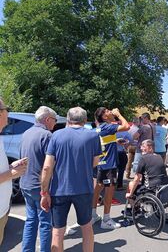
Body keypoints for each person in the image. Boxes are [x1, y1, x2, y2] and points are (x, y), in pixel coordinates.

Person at [40, 107, 102, 252]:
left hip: (59, 190)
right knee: (86, 228)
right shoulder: (93, 136)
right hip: (84, 189)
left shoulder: (56, 135)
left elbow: (47, 167)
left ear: (68, 119)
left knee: (57, 231)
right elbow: (95, 162)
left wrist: (44, 192)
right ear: (85, 120)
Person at [20, 106, 57, 252]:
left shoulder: (26, 133)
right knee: (45, 223)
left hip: (25, 183)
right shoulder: (47, 136)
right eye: (54, 120)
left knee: (30, 220)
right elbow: (48, 166)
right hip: (39, 185)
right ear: (48, 119)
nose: (55, 124)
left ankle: (27, 250)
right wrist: (45, 191)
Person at [92, 107, 129, 229]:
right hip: (108, 165)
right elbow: (126, 126)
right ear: (104, 117)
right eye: (107, 111)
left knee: (98, 188)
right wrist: (119, 114)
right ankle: (106, 220)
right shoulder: (108, 126)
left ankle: (93, 215)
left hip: (101, 164)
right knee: (109, 191)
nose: (110, 112)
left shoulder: (100, 128)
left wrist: (115, 141)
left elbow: (103, 142)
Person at [0, 99, 28, 245]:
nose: (9, 113)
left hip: (3, 210)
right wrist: (11, 174)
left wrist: (11, 167)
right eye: (7, 109)